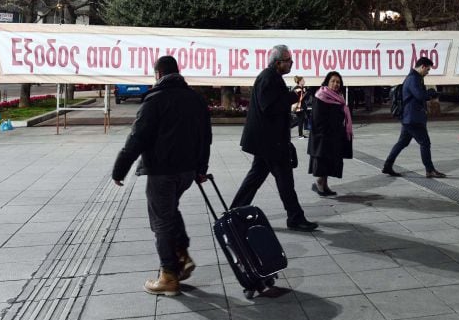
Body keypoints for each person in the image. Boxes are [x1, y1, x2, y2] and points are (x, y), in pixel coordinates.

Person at [112, 56, 212, 296]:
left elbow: (137, 138)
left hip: (162, 172)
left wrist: (119, 169)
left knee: (161, 222)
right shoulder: (195, 99)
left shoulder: (154, 101)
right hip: (187, 172)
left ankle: (168, 275)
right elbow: (205, 137)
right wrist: (201, 168)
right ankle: (181, 255)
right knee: (169, 211)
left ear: (157, 74)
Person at [231, 45, 318, 231]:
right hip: (270, 142)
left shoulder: (272, 77)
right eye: (289, 61)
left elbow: (273, 103)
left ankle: (234, 212)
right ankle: (295, 217)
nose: (291, 64)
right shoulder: (269, 77)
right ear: (279, 63)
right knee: (284, 180)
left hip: (268, 142)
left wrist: (290, 97)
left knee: (256, 179)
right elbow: (268, 106)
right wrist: (292, 98)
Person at [382, 57, 447, 178]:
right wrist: (431, 94)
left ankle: (387, 166)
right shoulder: (413, 78)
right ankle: (429, 170)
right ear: (422, 66)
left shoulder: (414, 77)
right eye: (427, 70)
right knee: (425, 143)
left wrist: (430, 93)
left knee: (402, 143)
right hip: (413, 118)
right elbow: (419, 95)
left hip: (409, 118)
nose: (427, 73)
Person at [307, 71, 353, 196]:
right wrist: (324, 134)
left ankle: (324, 185)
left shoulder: (339, 97)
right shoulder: (321, 96)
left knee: (330, 162)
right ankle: (319, 184)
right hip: (323, 137)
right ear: (327, 82)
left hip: (334, 136)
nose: (335, 84)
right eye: (333, 81)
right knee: (323, 162)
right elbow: (317, 119)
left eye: (338, 82)